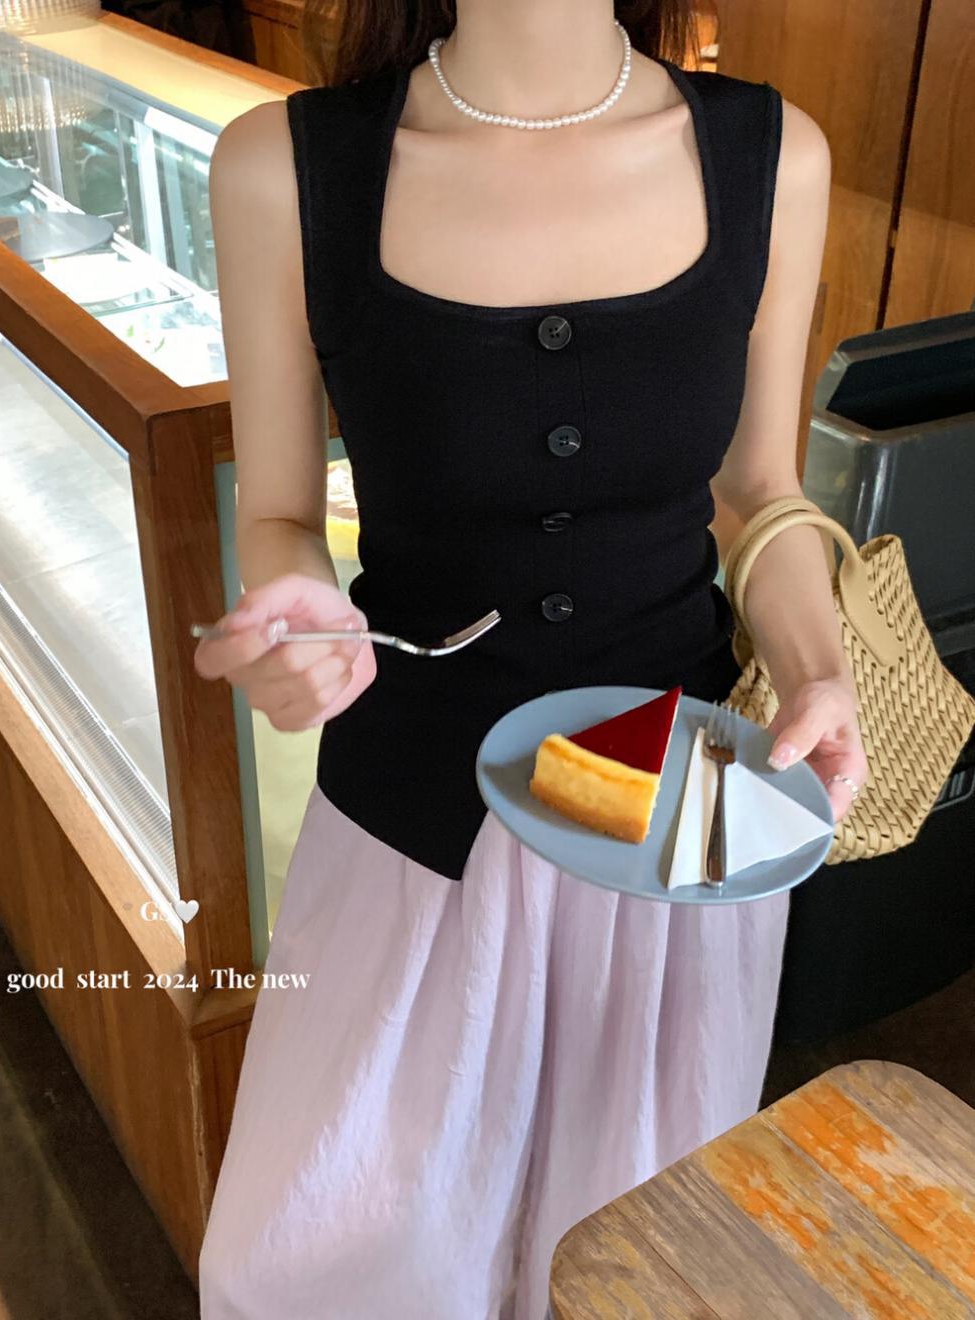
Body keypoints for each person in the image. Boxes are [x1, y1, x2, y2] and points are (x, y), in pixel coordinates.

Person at [194, 2, 868, 1315]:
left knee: (630, 1261)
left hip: (674, 826)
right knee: (319, 1262)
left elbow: (759, 490)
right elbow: (277, 513)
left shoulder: (770, 153)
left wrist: (814, 666)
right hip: (409, 826)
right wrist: (295, 607)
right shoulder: (284, 164)